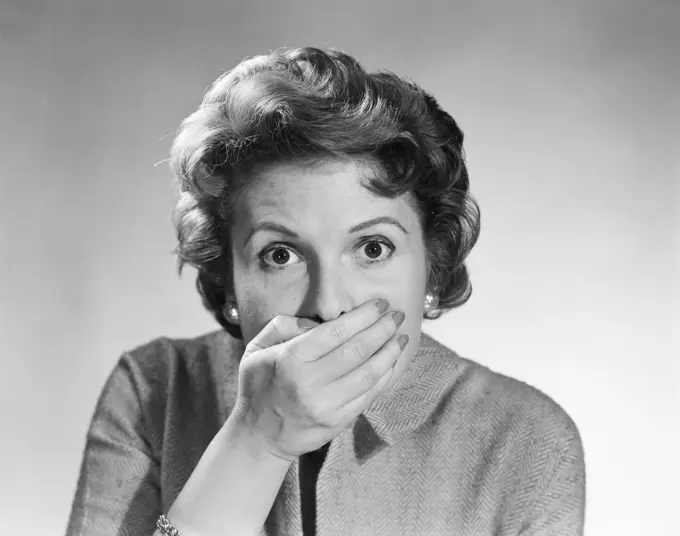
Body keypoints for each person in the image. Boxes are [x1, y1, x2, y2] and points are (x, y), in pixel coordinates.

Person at [66, 47, 586, 536]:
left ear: (433, 264)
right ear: (228, 277)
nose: (329, 305)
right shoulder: (151, 391)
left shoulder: (526, 437)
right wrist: (254, 442)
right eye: (280, 255)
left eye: (374, 248)